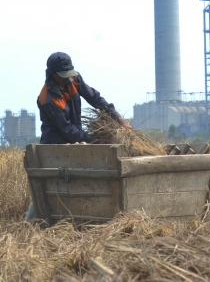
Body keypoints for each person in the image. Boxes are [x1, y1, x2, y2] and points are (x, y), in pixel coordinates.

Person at [25, 52, 132, 220]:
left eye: (69, 74)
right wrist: (93, 141)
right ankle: (30, 223)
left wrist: (119, 120)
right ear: (53, 74)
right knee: (50, 185)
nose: (68, 79)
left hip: (75, 138)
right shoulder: (47, 99)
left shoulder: (74, 79)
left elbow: (95, 99)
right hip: (56, 144)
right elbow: (67, 131)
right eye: (63, 76)